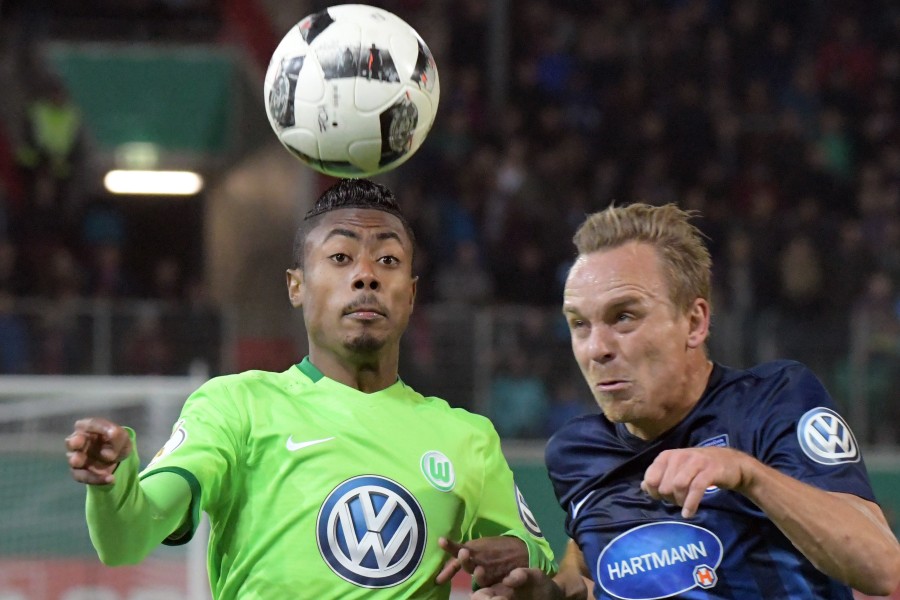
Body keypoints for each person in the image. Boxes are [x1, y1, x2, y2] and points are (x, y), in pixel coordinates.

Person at [65, 178, 556, 599]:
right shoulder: (237, 406)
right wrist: (114, 484)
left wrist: (522, 555)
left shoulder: (467, 436)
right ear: (296, 285)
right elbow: (126, 541)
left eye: (387, 260)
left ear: (411, 293)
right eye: (341, 257)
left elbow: (540, 560)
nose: (366, 276)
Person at [474, 203, 900, 599]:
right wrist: (551, 591)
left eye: (624, 316)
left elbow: (883, 568)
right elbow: (590, 558)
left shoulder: (772, 402)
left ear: (694, 322)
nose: (596, 348)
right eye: (580, 324)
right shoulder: (575, 454)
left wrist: (748, 473)